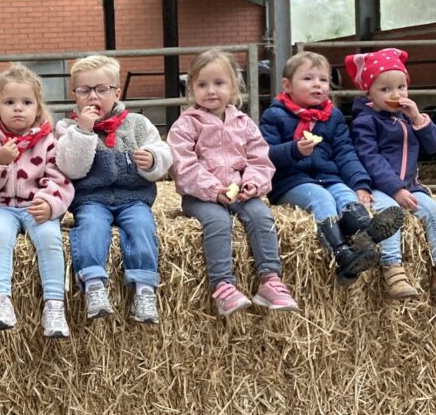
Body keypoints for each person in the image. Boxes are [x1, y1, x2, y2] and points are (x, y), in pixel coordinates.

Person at [167, 49, 299, 316]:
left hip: (239, 190)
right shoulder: (186, 125)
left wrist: (253, 183)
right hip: (201, 196)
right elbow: (183, 165)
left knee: (262, 216)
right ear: (191, 87)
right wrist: (214, 191)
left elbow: (259, 158)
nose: (211, 91)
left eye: (219, 83)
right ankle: (223, 286)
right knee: (218, 221)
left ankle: (270, 280)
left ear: (234, 86)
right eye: (202, 84)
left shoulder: (244, 122)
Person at [259, 51, 403, 286]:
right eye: (308, 79)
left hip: (328, 176)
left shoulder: (332, 116)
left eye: (323, 80)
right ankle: (341, 253)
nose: (317, 84)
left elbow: (345, 152)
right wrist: (293, 150)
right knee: (322, 199)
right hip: (291, 181)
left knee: (346, 196)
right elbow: (264, 154)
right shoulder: (274, 115)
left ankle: (365, 231)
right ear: (287, 85)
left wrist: (360, 184)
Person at [55, 55, 172, 324]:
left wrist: (153, 160)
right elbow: (71, 168)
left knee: (142, 227)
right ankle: (94, 283)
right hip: (92, 199)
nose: (93, 96)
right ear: (75, 96)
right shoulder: (68, 128)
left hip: (133, 198)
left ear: (117, 93)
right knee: (91, 227)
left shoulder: (138, 124)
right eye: (84, 91)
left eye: (102, 89)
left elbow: (164, 152)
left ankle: (144, 289)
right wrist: (84, 132)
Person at [347, 48, 436, 299]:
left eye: (401, 87)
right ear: (368, 92)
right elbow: (370, 158)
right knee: (389, 214)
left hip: (411, 186)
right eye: (385, 89)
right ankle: (393, 271)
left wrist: (418, 119)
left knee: (435, 211)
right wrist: (395, 189)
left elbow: (434, 146)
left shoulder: (407, 118)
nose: (396, 94)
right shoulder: (365, 122)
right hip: (380, 188)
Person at [0, 63, 74, 338]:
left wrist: (50, 203)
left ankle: (54, 305)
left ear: (37, 108)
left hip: (34, 206)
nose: (18, 108)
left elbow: (59, 178)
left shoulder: (48, 141)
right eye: (9, 102)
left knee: (50, 238)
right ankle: (0, 302)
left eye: (26, 102)